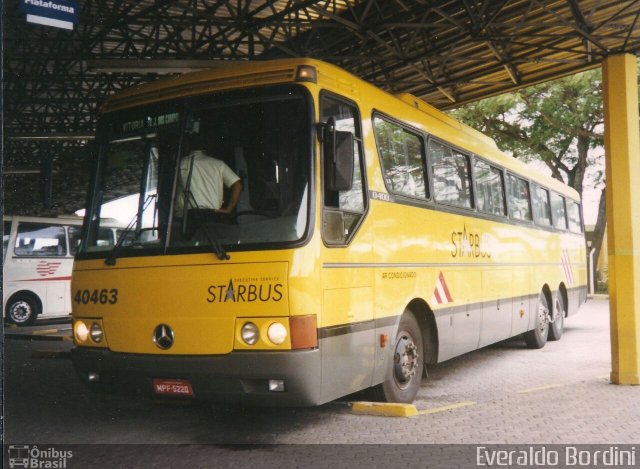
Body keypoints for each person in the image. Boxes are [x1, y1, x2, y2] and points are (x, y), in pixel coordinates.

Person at [176, 134, 242, 231]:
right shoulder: (218, 164)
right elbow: (237, 186)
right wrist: (229, 209)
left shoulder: (179, 164)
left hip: (188, 218)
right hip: (213, 216)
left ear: (187, 146)